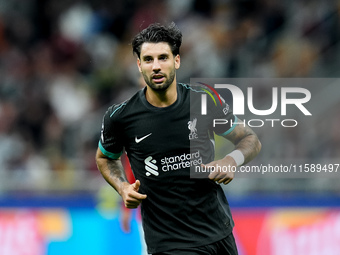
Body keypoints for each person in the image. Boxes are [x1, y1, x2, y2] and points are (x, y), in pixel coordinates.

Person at [95, 22, 261, 255]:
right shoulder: (120, 117)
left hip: (219, 233)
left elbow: (250, 139)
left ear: (177, 61)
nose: (156, 66)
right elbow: (105, 157)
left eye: (163, 57)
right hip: (170, 243)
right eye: (149, 59)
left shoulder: (203, 100)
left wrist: (231, 160)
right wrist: (122, 187)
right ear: (139, 65)